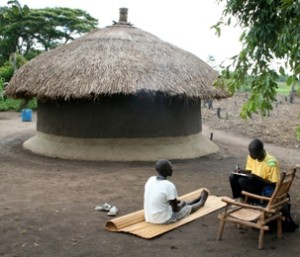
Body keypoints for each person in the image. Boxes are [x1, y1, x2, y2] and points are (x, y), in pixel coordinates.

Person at [144, 159, 209, 224]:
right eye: (171, 167)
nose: (172, 169)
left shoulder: (151, 179)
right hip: (163, 220)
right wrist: (183, 203)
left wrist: (179, 203)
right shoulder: (169, 186)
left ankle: (195, 200)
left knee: (178, 203)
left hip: (149, 217)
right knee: (185, 209)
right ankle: (201, 202)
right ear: (167, 170)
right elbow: (176, 209)